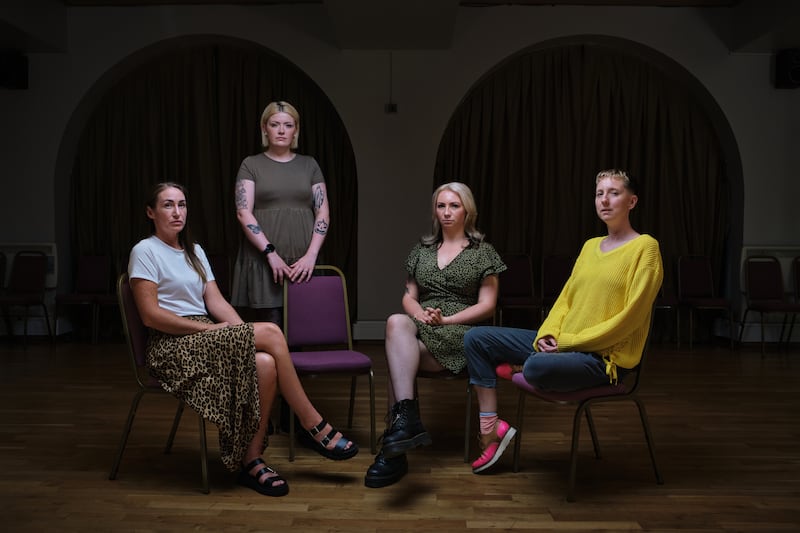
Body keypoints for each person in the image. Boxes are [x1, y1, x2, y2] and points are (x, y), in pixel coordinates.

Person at [128, 182, 357, 498]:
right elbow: (150, 316)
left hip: (208, 336)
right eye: (168, 205)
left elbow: (216, 302)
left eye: (182, 204)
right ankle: (313, 424)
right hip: (171, 345)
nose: (177, 212)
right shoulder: (145, 250)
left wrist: (242, 336)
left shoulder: (194, 252)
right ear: (150, 212)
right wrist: (217, 331)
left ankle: (251, 461)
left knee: (265, 362)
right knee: (273, 333)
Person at [464, 169, 663, 474]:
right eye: (599, 194)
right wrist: (547, 333)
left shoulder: (646, 248)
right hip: (562, 345)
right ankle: (491, 430)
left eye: (614, 193)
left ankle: (522, 366)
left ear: (632, 201)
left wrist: (567, 343)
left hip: (602, 360)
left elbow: (630, 319)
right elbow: (565, 300)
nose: (605, 200)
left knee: (535, 367)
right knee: (476, 339)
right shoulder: (590, 246)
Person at [365, 182, 507, 488]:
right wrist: (420, 315)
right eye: (441, 205)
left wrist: (448, 320)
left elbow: (488, 306)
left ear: (467, 210)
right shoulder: (422, 250)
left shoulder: (484, 253)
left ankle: (394, 445)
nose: (446, 212)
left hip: (464, 333)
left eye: (454, 205)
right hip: (425, 324)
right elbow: (409, 296)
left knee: (397, 361)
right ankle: (406, 423)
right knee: (396, 322)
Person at [231, 100, 330, 327]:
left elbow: (323, 211)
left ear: (296, 129)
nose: (282, 131)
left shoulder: (310, 165)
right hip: (264, 262)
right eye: (275, 124)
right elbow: (243, 212)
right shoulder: (251, 164)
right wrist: (270, 253)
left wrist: (311, 255)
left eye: (288, 125)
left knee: (303, 329)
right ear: (264, 128)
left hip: (304, 263)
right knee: (270, 330)